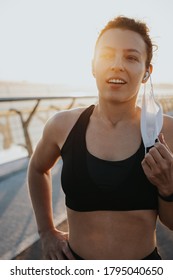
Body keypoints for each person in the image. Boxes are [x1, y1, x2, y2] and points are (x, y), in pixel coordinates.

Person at [28, 16, 173, 260]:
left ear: (147, 72)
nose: (117, 65)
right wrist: (46, 232)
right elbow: (37, 168)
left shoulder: (165, 131)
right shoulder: (62, 125)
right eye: (107, 55)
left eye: (131, 57)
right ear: (93, 65)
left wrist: (168, 187)